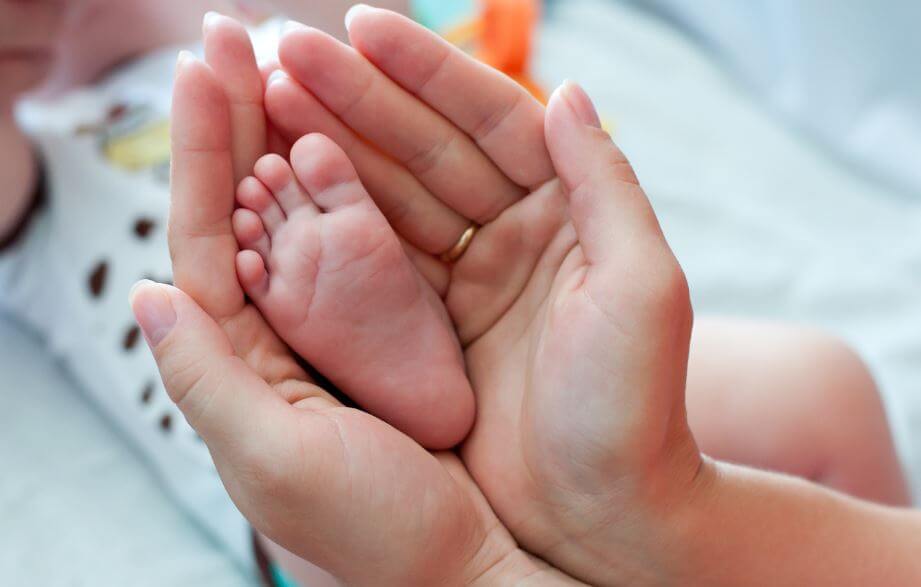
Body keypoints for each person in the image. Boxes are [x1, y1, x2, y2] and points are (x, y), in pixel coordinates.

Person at [0, 1, 907, 584]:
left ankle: (403, 344)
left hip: (474, 306)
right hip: (287, 451)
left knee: (825, 384)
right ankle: (372, 373)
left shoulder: (190, 37)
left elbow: (364, 16)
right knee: (313, 489)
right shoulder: (33, 170)